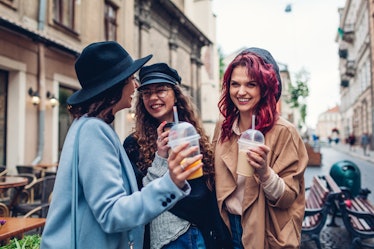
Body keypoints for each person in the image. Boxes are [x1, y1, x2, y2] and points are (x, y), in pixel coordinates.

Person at [40, 41, 203, 249]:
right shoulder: (93, 131)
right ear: (116, 85)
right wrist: (170, 183)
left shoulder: (90, 126)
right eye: (131, 79)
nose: (136, 85)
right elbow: (112, 214)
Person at [123, 63, 232, 249]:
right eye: (147, 92)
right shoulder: (133, 143)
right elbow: (138, 197)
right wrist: (161, 157)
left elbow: (201, 192)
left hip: (195, 233)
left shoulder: (190, 134)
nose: (153, 97)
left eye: (161, 90)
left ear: (175, 95)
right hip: (161, 240)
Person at [212, 48, 308, 249]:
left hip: (265, 230)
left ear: (264, 89)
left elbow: (288, 197)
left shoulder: (284, 132)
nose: (241, 92)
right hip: (227, 226)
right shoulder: (224, 126)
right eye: (235, 84)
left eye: (251, 85)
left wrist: (265, 172)